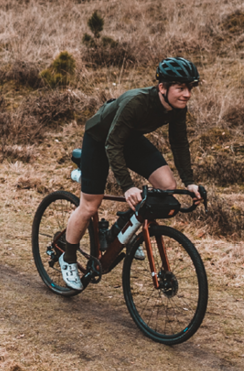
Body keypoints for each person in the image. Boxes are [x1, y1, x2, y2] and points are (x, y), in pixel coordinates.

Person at [51, 57, 207, 290]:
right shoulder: (136, 102)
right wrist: (127, 187)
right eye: (181, 88)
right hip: (100, 139)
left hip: (128, 139)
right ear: (162, 88)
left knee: (167, 186)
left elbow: (180, 143)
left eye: (189, 88)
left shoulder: (176, 108)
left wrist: (190, 183)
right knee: (90, 206)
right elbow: (112, 145)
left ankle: (119, 229)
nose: (187, 94)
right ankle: (68, 257)